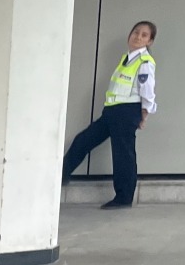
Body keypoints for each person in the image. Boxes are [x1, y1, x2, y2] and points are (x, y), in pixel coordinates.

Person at [62, 20, 158, 209]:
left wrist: (144, 115)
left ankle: (124, 198)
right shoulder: (127, 58)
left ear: (150, 41)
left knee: (123, 155)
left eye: (144, 35)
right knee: (83, 140)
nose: (138, 37)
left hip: (126, 112)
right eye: (136, 32)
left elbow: (147, 91)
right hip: (112, 111)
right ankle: (61, 176)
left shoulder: (144, 62)